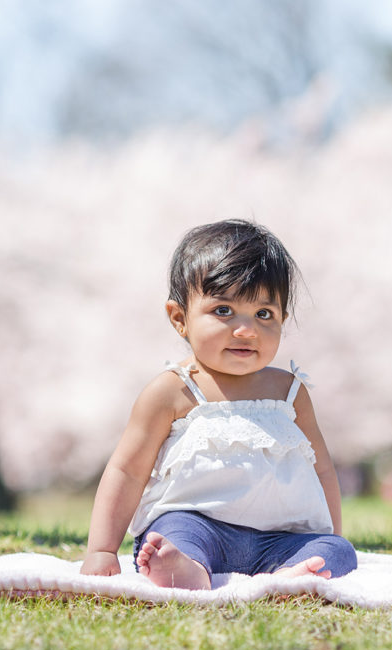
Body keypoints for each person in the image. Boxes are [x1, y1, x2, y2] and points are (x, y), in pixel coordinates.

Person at [80, 219, 357, 590]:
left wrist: (330, 535)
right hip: (197, 525)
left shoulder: (290, 392)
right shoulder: (173, 391)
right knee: (170, 537)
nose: (246, 330)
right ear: (180, 319)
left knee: (339, 552)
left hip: (281, 537)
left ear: (283, 321)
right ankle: (187, 568)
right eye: (223, 311)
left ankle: (290, 575)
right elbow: (127, 471)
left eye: (264, 314)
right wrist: (101, 548)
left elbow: (321, 468)